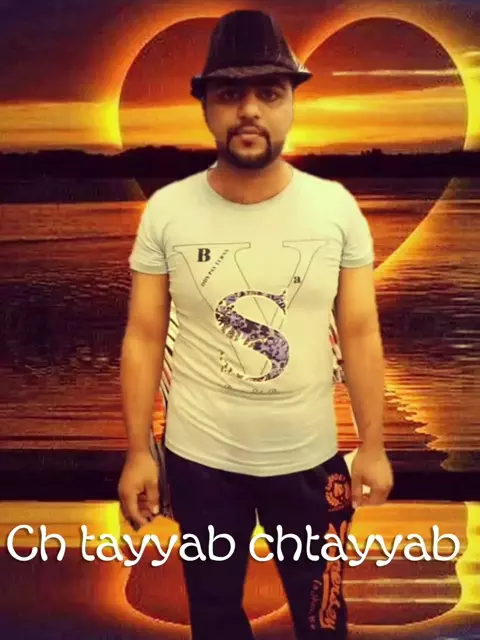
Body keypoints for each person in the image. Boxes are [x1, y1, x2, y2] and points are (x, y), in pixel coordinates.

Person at [118, 9, 393, 640]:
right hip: (199, 463)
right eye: (229, 93)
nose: (249, 110)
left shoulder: (335, 209)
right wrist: (138, 451)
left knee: (324, 618)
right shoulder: (167, 211)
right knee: (214, 620)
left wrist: (374, 445)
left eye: (269, 93)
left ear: (292, 102)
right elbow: (143, 336)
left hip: (312, 463)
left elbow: (359, 333)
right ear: (205, 106)